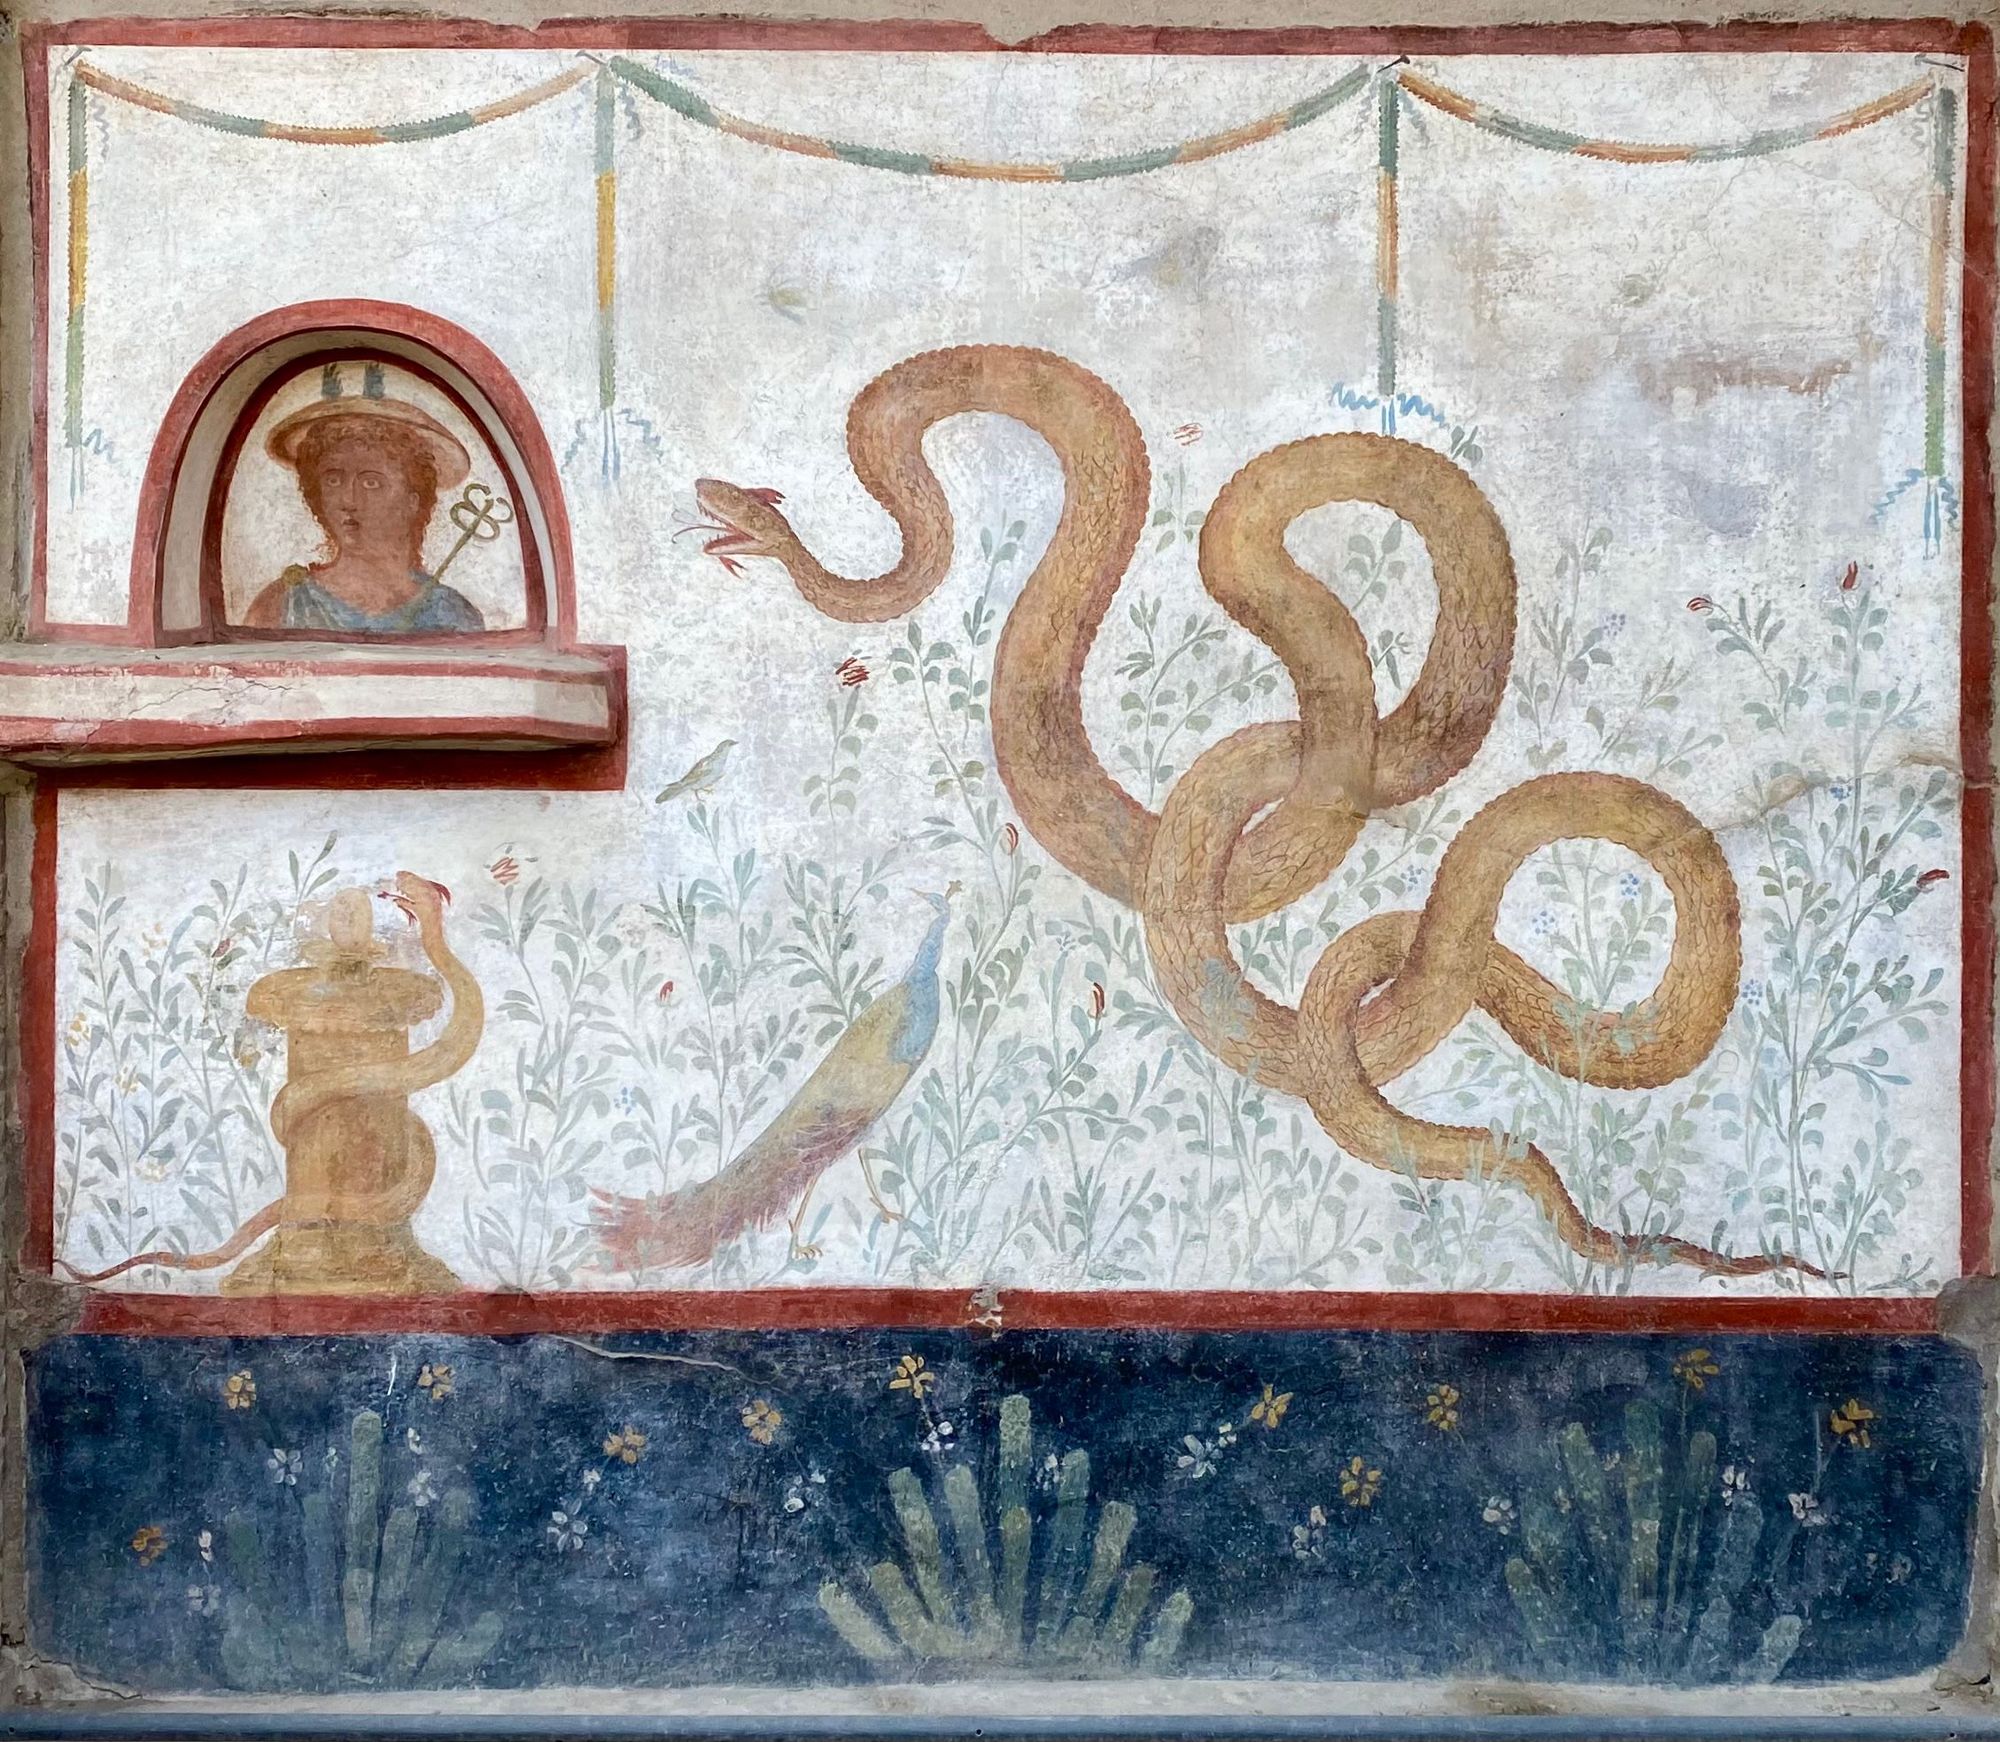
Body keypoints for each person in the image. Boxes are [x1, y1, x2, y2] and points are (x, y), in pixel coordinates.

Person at [244, 368, 486, 633]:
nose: (348, 499)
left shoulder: (453, 614)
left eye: (371, 483)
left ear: (413, 501)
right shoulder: (281, 605)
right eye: (333, 480)